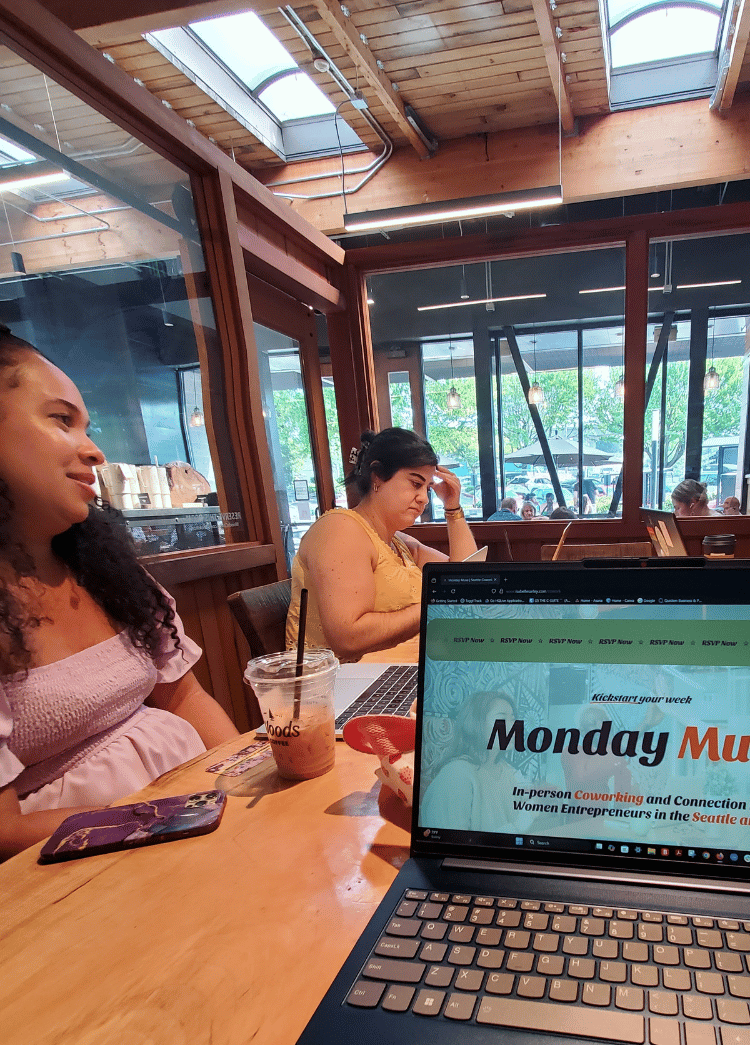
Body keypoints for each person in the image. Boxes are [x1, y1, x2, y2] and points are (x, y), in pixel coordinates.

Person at [0, 327, 238, 859]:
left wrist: (242, 786)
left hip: (190, 814)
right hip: (83, 864)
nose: (95, 451)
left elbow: (185, 696)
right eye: (62, 420)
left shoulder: (105, 571)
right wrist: (166, 814)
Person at [286, 428, 477, 660]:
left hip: (397, 673)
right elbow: (348, 638)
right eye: (416, 484)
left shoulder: (398, 542)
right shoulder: (340, 529)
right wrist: (433, 604)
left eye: (427, 488)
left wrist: (452, 507)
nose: (425, 499)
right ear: (377, 476)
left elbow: (467, 574)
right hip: (343, 685)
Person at [419, 690, 521, 832]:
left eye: (513, 719)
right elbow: (454, 844)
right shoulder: (456, 775)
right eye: (502, 719)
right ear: (476, 723)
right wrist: (525, 820)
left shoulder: (506, 771)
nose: (513, 726)